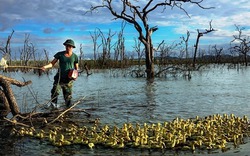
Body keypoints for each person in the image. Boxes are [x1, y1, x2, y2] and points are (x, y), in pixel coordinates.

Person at [41, 39, 79, 108]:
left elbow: (76, 69)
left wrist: (75, 76)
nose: (68, 48)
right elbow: (52, 64)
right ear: (65, 46)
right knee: (55, 92)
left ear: (72, 47)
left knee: (68, 97)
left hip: (69, 80)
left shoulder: (75, 57)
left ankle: (68, 111)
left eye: (70, 46)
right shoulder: (60, 54)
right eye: (67, 46)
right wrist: (45, 67)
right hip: (59, 78)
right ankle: (53, 108)